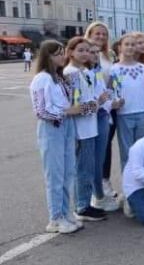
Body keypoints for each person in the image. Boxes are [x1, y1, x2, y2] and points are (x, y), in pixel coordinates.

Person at [30, 40, 83, 233]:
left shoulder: (60, 78)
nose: (63, 56)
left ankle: (65, 212)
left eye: (62, 53)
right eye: (58, 53)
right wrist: (67, 112)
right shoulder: (42, 79)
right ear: (48, 56)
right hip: (52, 128)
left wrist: (71, 110)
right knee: (55, 174)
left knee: (68, 171)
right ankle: (55, 218)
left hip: (66, 127)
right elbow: (41, 110)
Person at [64, 37, 110, 222]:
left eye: (88, 51)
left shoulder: (87, 72)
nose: (85, 54)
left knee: (88, 167)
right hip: (80, 129)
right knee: (82, 168)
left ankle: (85, 202)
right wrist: (97, 103)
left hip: (90, 127)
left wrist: (97, 102)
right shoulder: (70, 73)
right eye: (81, 50)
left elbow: (91, 99)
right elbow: (75, 105)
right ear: (71, 52)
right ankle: (81, 206)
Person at [86, 22, 121, 201]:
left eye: (104, 34)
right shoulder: (87, 55)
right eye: (97, 34)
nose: (100, 37)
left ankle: (104, 181)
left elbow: (112, 81)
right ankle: (94, 188)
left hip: (110, 106)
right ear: (89, 35)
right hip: (95, 108)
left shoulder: (109, 55)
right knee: (94, 149)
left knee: (106, 147)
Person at [111, 33, 144, 168]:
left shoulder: (143, 68)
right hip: (124, 114)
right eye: (127, 44)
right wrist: (116, 101)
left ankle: (142, 181)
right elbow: (112, 90)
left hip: (142, 113)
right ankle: (128, 184)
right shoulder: (115, 69)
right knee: (127, 151)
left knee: (142, 150)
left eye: (133, 45)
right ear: (120, 47)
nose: (130, 47)